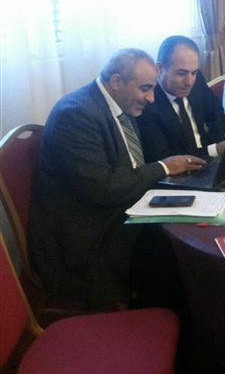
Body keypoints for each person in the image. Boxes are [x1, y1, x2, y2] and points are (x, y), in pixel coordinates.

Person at [29, 49, 205, 309]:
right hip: (85, 236)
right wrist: (163, 167)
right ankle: (164, 324)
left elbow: (129, 170)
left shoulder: (119, 105)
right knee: (174, 251)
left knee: (192, 224)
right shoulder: (76, 115)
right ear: (116, 81)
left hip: (116, 209)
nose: (151, 98)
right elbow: (103, 189)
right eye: (145, 88)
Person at [137, 35, 225, 162]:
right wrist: (215, 149)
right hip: (181, 170)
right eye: (181, 73)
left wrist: (219, 145)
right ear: (159, 69)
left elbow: (216, 112)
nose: (189, 82)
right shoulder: (147, 104)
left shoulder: (196, 80)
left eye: (194, 73)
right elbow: (165, 158)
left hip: (212, 159)